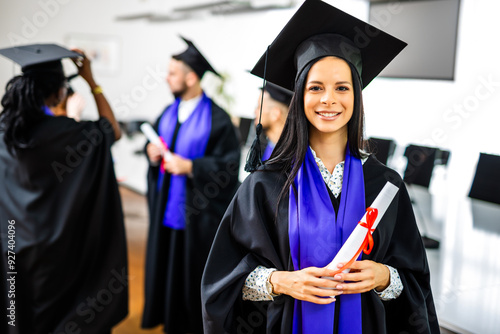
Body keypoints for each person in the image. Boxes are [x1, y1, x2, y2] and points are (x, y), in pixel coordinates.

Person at [201, 1, 440, 333]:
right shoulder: (265, 184)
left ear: (356, 96)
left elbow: (415, 281)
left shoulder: (385, 185)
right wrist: (281, 281)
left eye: (342, 87)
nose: (329, 99)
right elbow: (222, 280)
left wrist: (384, 276)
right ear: (299, 96)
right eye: (316, 88)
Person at [0, 44, 127, 333]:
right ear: (60, 92)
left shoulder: (5, 133)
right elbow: (113, 130)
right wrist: (91, 81)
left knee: (19, 316)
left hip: (13, 246)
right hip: (62, 253)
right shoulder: (72, 134)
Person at [142, 36, 241, 333]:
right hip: (166, 212)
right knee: (164, 270)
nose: (166, 78)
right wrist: (152, 157)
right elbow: (159, 155)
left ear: (191, 77)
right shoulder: (168, 112)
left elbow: (230, 166)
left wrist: (191, 167)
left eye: (172, 73)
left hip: (197, 217)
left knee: (189, 275)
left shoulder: (218, 118)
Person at [254, 82, 292, 161]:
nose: (255, 112)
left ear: (275, 114)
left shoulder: (292, 159)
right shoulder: (266, 146)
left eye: (259, 107)